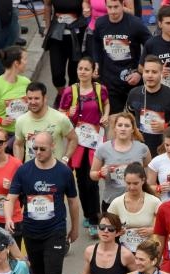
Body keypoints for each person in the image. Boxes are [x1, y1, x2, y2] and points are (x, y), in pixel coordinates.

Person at [5, 131, 79, 274]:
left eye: (42, 149)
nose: (38, 152)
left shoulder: (64, 172)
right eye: (35, 148)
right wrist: (8, 218)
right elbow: (10, 198)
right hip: (31, 231)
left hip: (55, 230)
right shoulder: (24, 170)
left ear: (53, 146)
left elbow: (73, 202)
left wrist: (75, 228)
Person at [59, 56, 110, 237]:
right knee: (81, 181)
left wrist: (106, 115)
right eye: (80, 68)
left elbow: (106, 102)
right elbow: (60, 114)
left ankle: (96, 218)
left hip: (95, 142)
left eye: (86, 69)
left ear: (93, 71)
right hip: (78, 143)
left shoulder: (99, 89)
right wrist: (67, 113)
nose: (82, 72)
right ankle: (89, 215)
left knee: (92, 181)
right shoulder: (69, 91)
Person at [93, 0, 150, 113]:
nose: (113, 11)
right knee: (114, 119)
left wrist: (140, 72)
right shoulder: (100, 23)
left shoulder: (135, 23)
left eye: (116, 7)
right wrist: (96, 63)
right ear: (105, 6)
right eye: (110, 7)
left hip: (132, 79)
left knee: (136, 120)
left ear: (122, 5)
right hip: (110, 81)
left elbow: (150, 45)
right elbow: (96, 44)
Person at [126, 55, 170, 158]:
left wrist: (165, 127)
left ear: (161, 74)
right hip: (138, 151)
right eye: (147, 71)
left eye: (154, 72)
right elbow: (129, 118)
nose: (150, 75)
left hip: (164, 152)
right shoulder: (134, 93)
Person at [90, 112, 150, 210]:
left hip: (137, 202)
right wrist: (100, 173)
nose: (123, 128)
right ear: (114, 128)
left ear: (132, 129)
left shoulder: (142, 148)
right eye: (120, 125)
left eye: (127, 126)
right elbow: (92, 174)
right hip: (112, 202)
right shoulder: (103, 148)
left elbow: (148, 170)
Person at [13, 81, 77, 162]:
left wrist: (65, 159)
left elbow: (73, 139)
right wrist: (19, 165)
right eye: (30, 98)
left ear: (45, 98)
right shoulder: (21, 120)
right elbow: (18, 144)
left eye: (36, 98)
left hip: (54, 171)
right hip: (31, 172)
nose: (33, 102)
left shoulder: (60, 118)